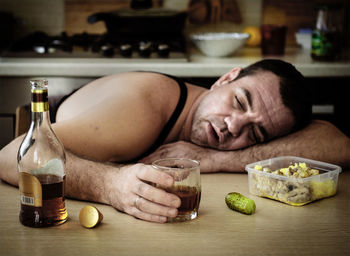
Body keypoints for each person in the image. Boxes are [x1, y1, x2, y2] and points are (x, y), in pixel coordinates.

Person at [0, 59, 349, 223]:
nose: (232, 126)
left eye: (254, 133)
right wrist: (110, 184)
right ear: (226, 77)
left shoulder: (215, 135)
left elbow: (337, 144)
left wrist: (215, 159)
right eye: (240, 102)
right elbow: (9, 156)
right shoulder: (144, 108)